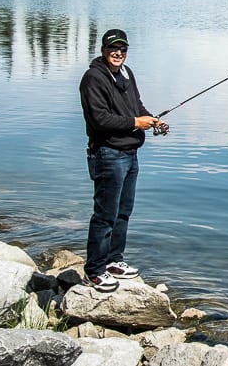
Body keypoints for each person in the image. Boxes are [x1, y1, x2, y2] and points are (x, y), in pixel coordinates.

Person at [79, 29, 167, 292]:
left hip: (129, 154)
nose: (118, 53)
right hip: (107, 154)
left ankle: (114, 260)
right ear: (103, 50)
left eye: (123, 49)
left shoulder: (126, 74)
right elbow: (100, 120)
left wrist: (152, 120)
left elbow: (137, 107)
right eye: (113, 48)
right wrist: (134, 123)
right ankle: (95, 270)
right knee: (105, 215)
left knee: (123, 212)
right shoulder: (93, 78)